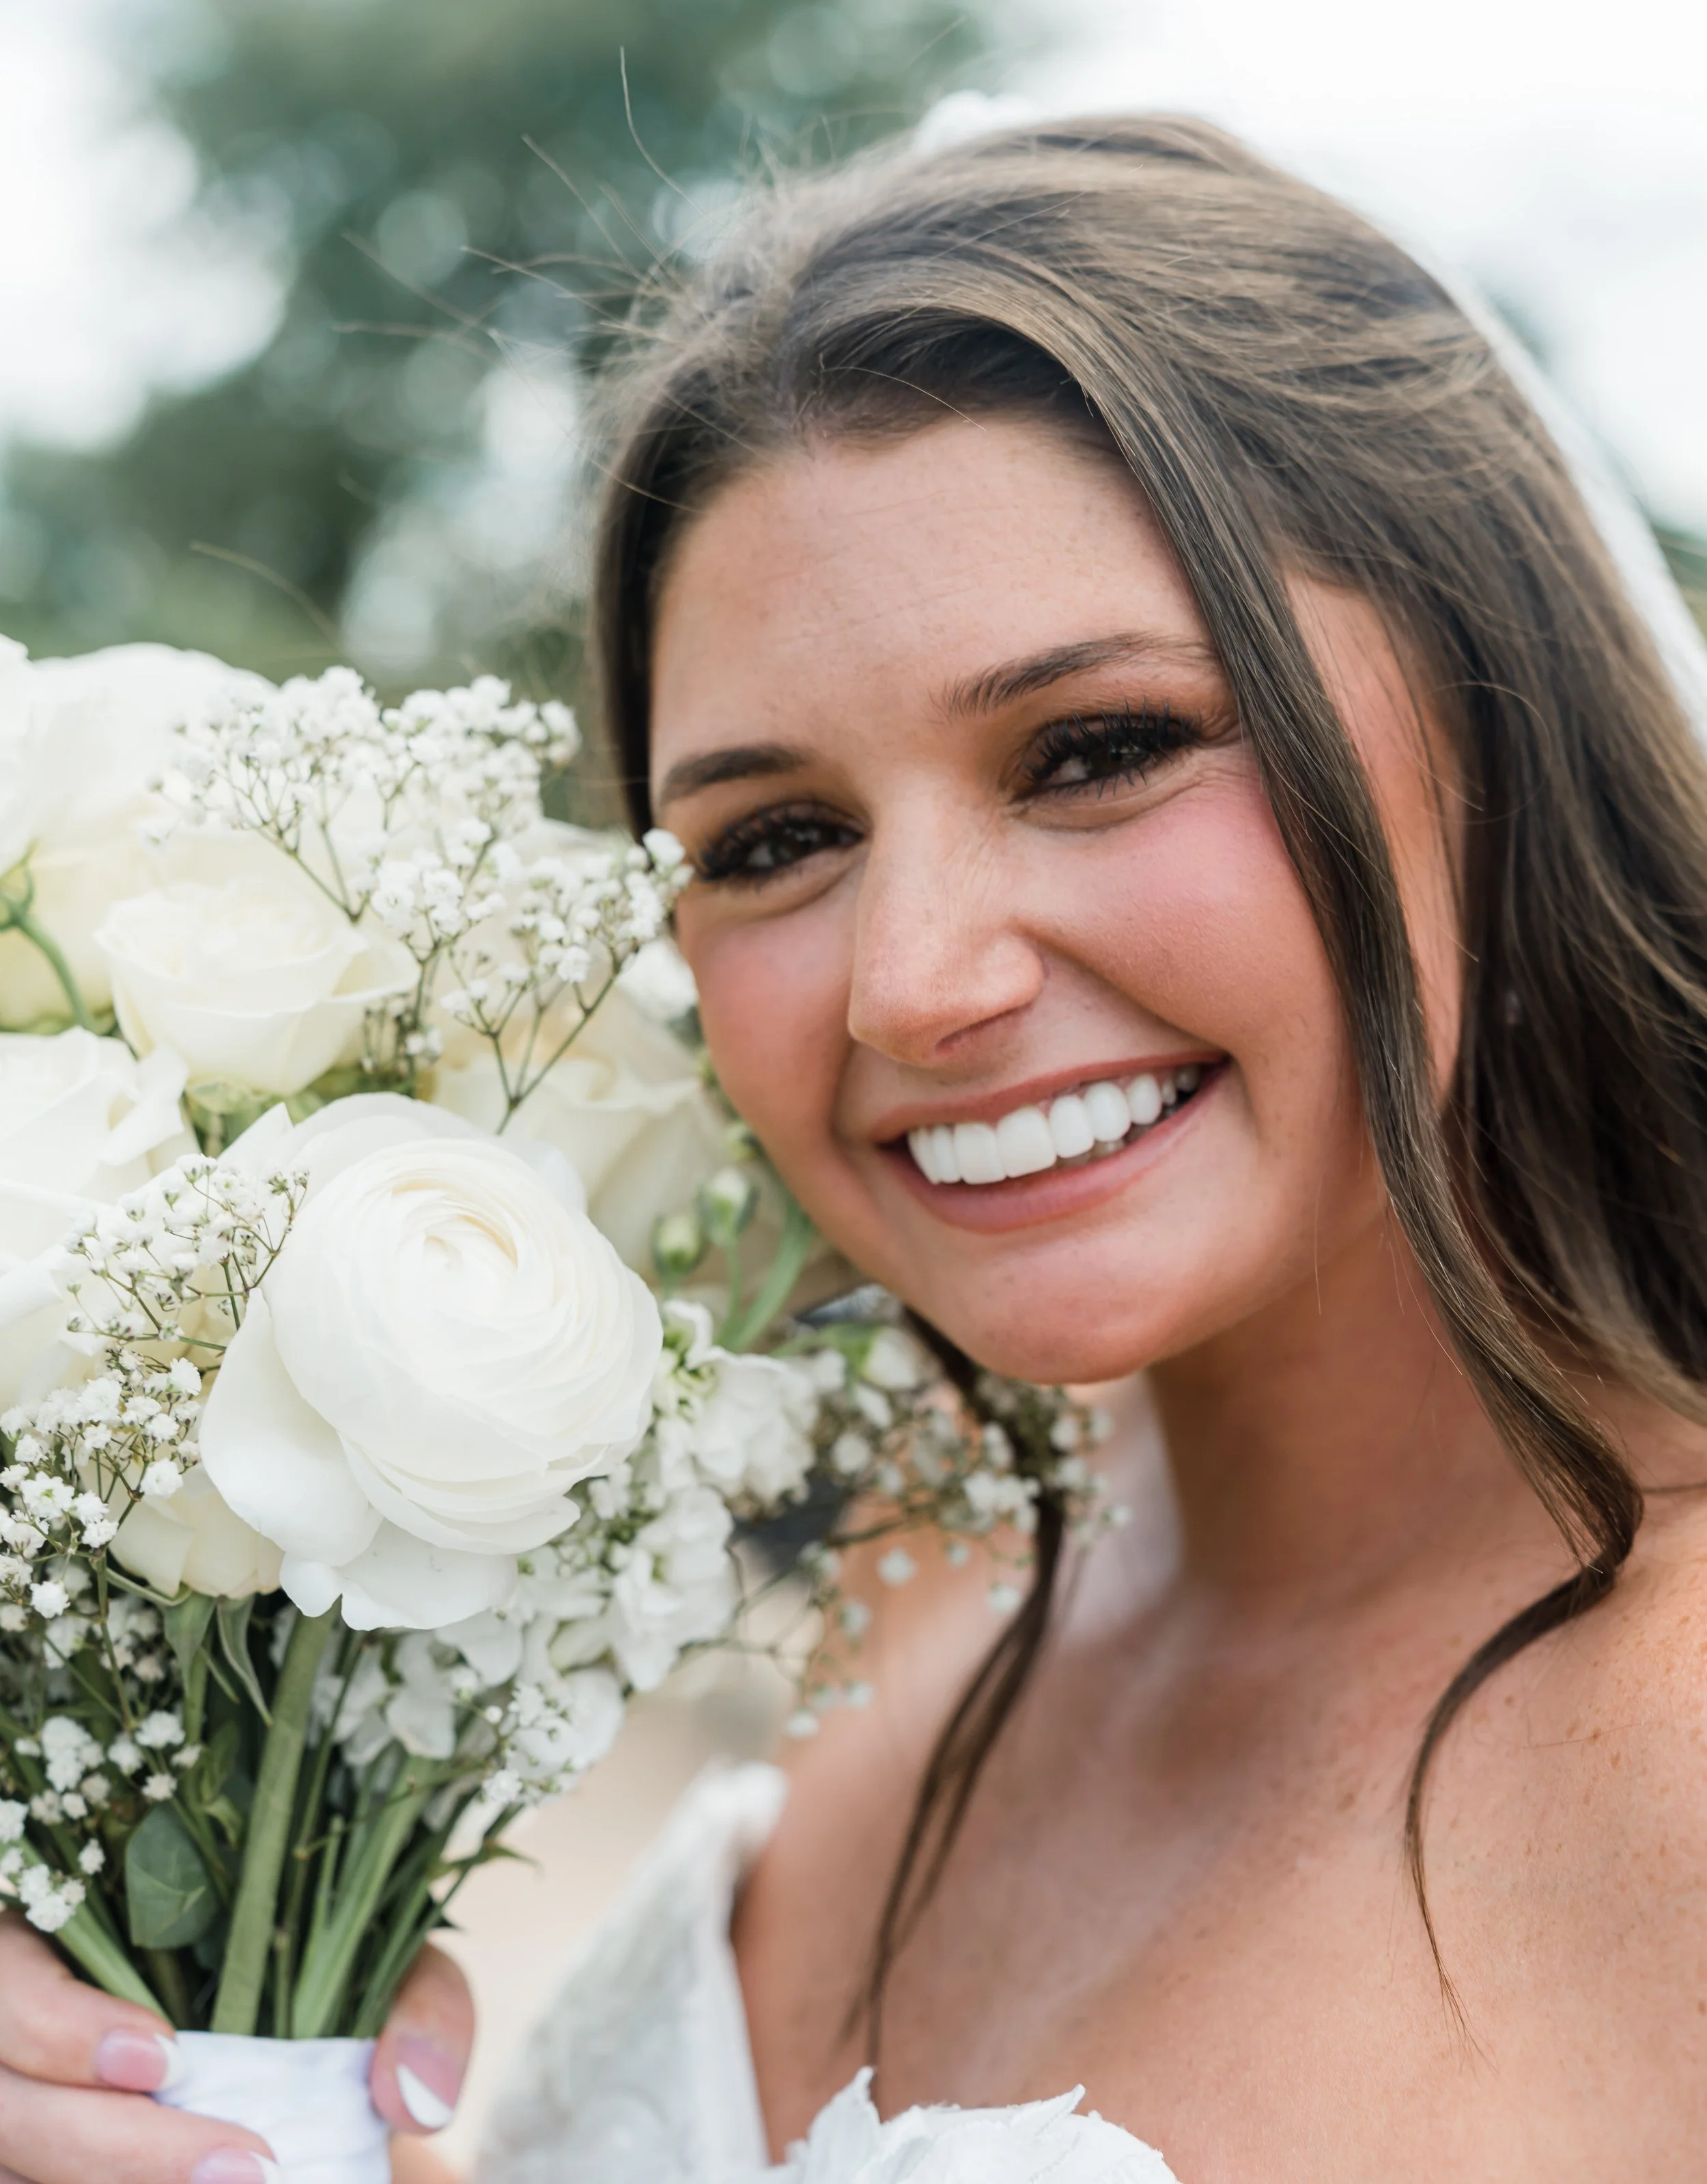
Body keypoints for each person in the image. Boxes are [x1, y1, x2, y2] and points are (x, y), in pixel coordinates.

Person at [6, 114, 1707, 2181]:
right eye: (775, 839)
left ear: (1500, 728)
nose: (913, 986)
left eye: (1098, 748)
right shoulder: (872, 1697)